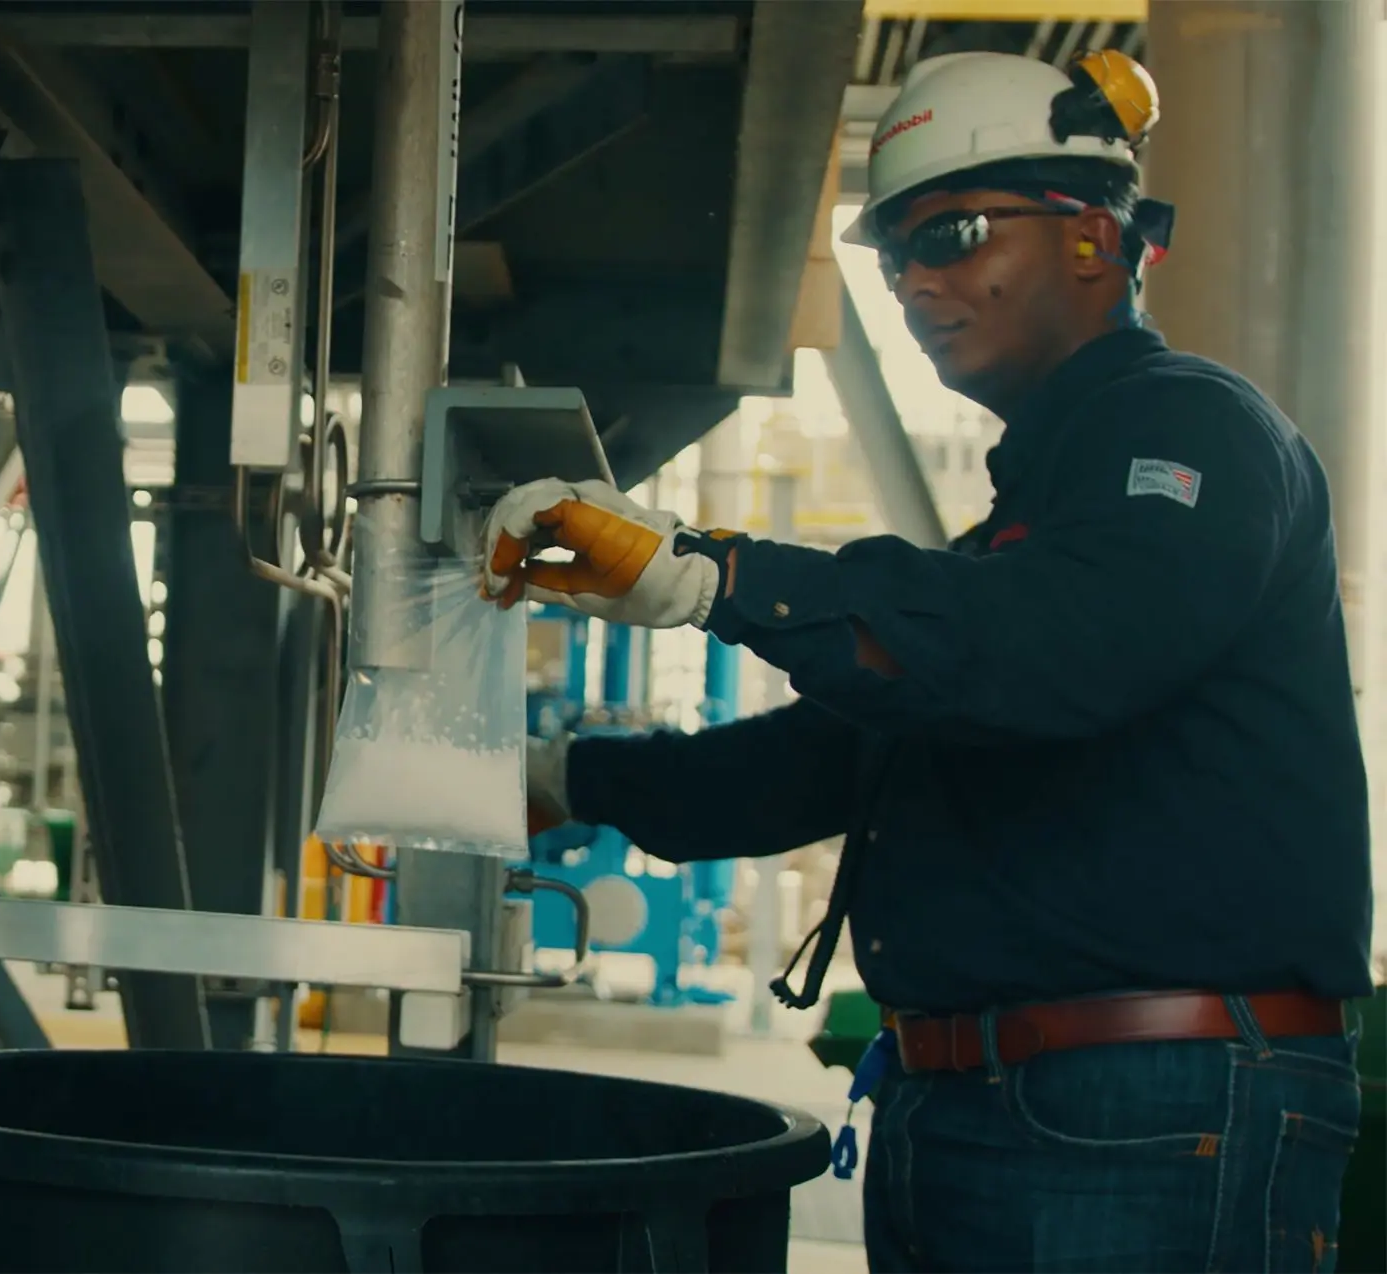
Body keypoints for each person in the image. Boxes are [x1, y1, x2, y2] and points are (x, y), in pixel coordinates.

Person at [482, 49, 1373, 1274]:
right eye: (891, 253)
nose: (913, 281)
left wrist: (715, 573)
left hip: (1152, 1115)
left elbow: (1057, 648)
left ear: (1094, 236)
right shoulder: (1021, 528)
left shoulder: (1192, 429)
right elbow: (829, 760)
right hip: (992, 1106)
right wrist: (564, 779)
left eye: (951, 232)